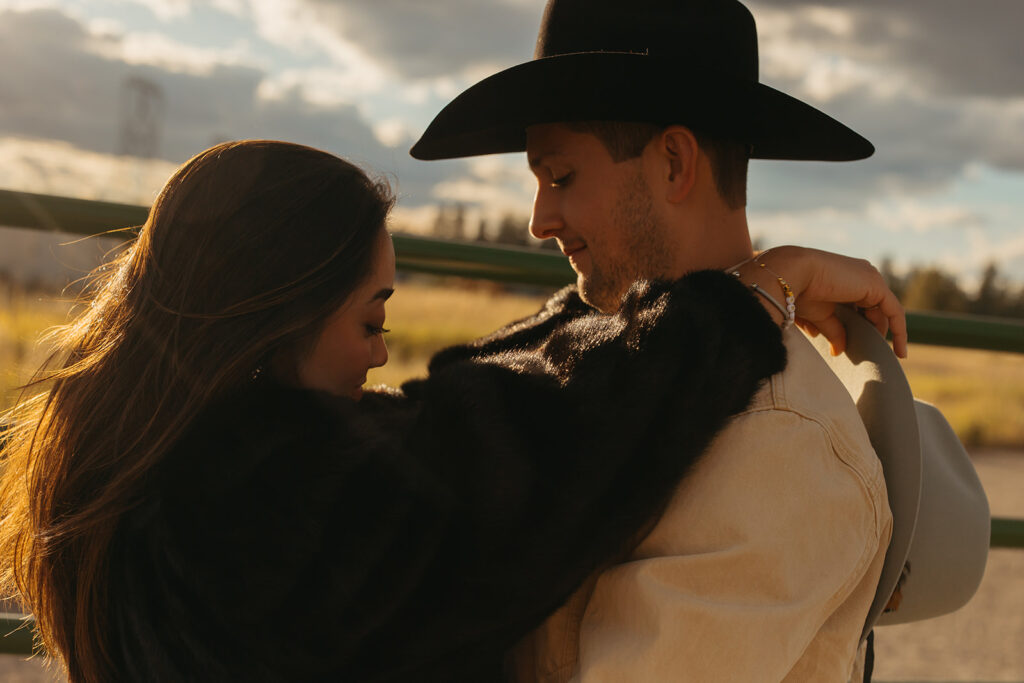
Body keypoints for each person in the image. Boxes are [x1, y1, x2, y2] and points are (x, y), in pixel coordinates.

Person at [0, 139, 903, 682]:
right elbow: (520, 443)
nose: (385, 355)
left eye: (559, 173)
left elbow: (488, 410)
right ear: (277, 315)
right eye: (372, 318)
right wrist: (745, 301)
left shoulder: (145, 455)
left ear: (673, 159)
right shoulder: (264, 509)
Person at [411, 0, 906, 680]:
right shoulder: (603, 358)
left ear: (674, 163)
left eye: (560, 177)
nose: (537, 220)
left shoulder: (771, 439)